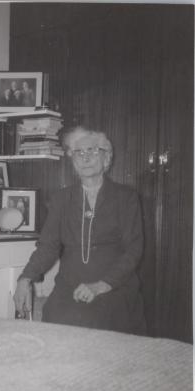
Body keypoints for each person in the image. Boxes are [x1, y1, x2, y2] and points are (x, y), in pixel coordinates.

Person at [14, 126, 146, 335]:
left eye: (93, 151)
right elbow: (48, 246)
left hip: (114, 286)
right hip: (70, 287)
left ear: (107, 158)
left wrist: (101, 285)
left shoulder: (126, 197)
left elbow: (133, 251)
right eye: (79, 153)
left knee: (96, 322)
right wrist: (25, 277)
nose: (85, 158)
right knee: (56, 320)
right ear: (73, 161)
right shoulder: (61, 199)